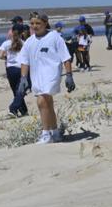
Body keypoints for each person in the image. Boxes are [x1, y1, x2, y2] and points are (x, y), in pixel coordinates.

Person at [17, 12, 75, 144]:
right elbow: (24, 61)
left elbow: (66, 57)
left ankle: (45, 134)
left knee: (41, 102)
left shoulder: (54, 37)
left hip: (51, 74)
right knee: (48, 103)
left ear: (45, 23)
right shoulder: (29, 42)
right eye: (32, 23)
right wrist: (23, 78)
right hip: (36, 77)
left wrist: (69, 75)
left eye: (38, 23)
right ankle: (55, 133)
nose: (35, 26)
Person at [0, 23, 29, 117]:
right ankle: (13, 109)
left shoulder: (6, 43)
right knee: (21, 90)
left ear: (12, 32)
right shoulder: (26, 43)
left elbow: (0, 56)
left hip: (10, 69)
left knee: (16, 91)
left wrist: (7, 57)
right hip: (22, 68)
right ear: (22, 33)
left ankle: (24, 111)